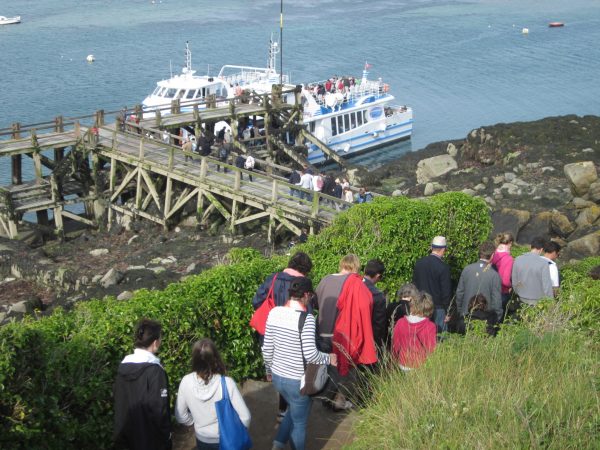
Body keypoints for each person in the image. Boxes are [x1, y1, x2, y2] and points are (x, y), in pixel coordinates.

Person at [262, 278, 337, 450]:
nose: (310, 299)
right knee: (299, 424)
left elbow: (266, 349)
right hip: (297, 382)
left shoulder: (274, 312)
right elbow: (311, 354)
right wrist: (329, 358)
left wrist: (268, 371)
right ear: (304, 295)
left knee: (293, 411)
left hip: (278, 378)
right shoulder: (307, 319)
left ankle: (278, 445)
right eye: (310, 296)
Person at [252, 252, 313, 421]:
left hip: (271, 332)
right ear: (306, 270)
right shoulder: (304, 285)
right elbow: (308, 313)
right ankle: (287, 409)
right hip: (293, 334)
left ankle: (282, 410)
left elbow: (256, 301)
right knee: (292, 370)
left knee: (277, 368)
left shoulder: (273, 278)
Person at [315, 254, 376, 410]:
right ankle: (333, 400)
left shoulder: (325, 279)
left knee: (326, 367)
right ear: (355, 267)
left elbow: (315, 302)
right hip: (340, 334)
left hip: (322, 331)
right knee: (341, 371)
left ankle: (324, 396)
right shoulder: (353, 283)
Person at [175, 339, 251, 450]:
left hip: (202, 440)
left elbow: (181, 416)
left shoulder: (186, 382)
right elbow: (246, 417)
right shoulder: (226, 383)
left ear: (194, 359)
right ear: (215, 358)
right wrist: (236, 433)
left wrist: (195, 422)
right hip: (227, 440)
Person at [113, 319, 172, 450]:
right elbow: (160, 411)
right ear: (155, 343)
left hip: (125, 439)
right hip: (150, 441)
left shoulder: (122, 369)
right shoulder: (155, 371)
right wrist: (167, 437)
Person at [412, 236, 452, 334]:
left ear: (432, 247)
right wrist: (448, 311)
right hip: (438, 308)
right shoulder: (443, 267)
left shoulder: (419, 263)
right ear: (443, 249)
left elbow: (414, 286)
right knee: (440, 338)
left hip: (421, 307)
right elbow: (446, 292)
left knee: (421, 336)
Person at [455, 241, 503, 322]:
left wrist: (460, 311)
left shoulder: (467, 269)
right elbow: (497, 301)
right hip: (484, 319)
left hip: (466, 315)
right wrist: (497, 318)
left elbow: (459, 293)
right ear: (492, 255)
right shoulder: (494, 275)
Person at [392, 291, 437, 370]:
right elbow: (431, 349)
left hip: (403, 363)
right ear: (429, 307)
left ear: (412, 305)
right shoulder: (430, 326)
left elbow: (395, 345)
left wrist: (395, 360)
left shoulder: (401, 322)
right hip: (421, 365)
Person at [511, 236, 554, 306]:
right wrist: (551, 302)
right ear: (541, 249)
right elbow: (547, 286)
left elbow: (514, 281)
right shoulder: (543, 263)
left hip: (521, 298)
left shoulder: (517, 259)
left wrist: (518, 292)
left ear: (531, 246)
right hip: (537, 301)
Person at [362, 259, 387, 351]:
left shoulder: (351, 286)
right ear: (378, 276)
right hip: (368, 341)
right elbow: (378, 326)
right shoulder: (377, 295)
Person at [490, 232, 515, 313]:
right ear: (510, 243)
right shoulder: (509, 259)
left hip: (490, 290)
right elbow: (505, 281)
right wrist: (511, 286)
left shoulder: (492, 254)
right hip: (502, 292)